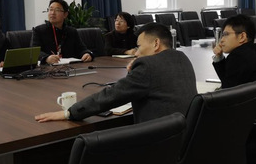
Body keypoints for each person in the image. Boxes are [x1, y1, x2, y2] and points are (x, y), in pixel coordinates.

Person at [35, 22, 197, 124]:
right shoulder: (182, 58)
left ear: (156, 43)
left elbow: (111, 95)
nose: (136, 53)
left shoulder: (147, 66)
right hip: (186, 141)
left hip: (158, 146)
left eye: (139, 47)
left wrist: (69, 112)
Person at [212, 14, 256, 122]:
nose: (221, 40)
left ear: (242, 37)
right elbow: (228, 81)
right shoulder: (252, 51)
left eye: (226, 35)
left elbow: (227, 96)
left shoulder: (238, 56)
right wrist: (219, 57)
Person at [31, 0, 93, 65]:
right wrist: (46, 58)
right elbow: (33, 51)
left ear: (65, 14)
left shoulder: (71, 32)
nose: (52, 13)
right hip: (48, 69)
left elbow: (82, 49)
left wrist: (87, 54)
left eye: (57, 10)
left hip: (71, 67)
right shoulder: (39, 31)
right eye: (50, 9)